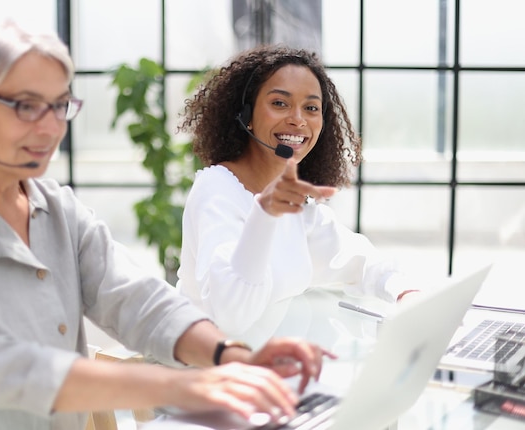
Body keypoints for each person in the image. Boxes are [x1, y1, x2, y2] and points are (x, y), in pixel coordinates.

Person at [0, 18, 335, 430]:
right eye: (25, 106)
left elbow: (139, 301)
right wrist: (188, 384)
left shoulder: (59, 212)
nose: (49, 128)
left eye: (58, 106)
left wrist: (230, 355)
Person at [176, 45, 420, 349]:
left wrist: (406, 293)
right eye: (280, 103)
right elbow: (232, 317)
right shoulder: (217, 190)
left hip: (269, 366)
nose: (298, 119)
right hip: (210, 375)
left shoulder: (294, 201)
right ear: (246, 115)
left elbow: (358, 258)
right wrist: (264, 215)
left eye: (311, 108)